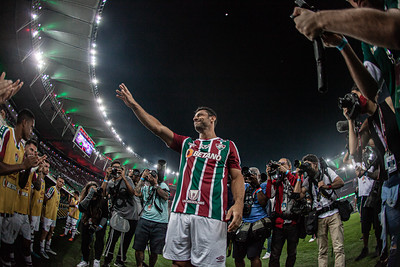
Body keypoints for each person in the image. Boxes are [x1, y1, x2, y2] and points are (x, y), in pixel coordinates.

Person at [116, 83, 244, 267]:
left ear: (213, 118)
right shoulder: (187, 144)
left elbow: (237, 177)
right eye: (194, 116)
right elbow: (158, 128)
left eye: (200, 115)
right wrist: (134, 105)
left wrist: (238, 203)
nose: (195, 117)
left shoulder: (227, 146)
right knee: (179, 264)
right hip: (180, 212)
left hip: (212, 216)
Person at [292, 0, 400, 132]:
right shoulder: (368, 42)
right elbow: (370, 90)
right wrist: (342, 45)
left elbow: (393, 28)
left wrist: (319, 19)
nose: (354, 1)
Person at [0, 109, 39, 266]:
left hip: (9, 211)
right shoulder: (6, 133)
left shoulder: (21, 149)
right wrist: (23, 165)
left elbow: (21, 183)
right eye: (31, 127)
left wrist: (28, 167)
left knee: (5, 253)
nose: (31, 131)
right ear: (24, 123)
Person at [299, 154, 345, 267]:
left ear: (315, 164)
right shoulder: (307, 180)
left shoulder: (326, 172)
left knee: (338, 247)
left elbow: (340, 182)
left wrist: (327, 186)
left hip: (333, 212)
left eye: (308, 164)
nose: (307, 168)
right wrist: (298, 176)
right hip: (319, 216)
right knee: (322, 250)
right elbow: (299, 195)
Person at [101, 160, 138, 267]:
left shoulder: (128, 179)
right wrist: (106, 177)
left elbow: (132, 193)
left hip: (131, 215)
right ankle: (107, 261)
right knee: (112, 239)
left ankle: (119, 261)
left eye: (118, 167)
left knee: (125, 242)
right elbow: (103, 194)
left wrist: (124, 177)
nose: (116, 169)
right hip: (118, 214)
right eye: (114, 167)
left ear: (121, 169)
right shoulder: (110, 182)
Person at [265, 159, 300, 267]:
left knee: (292, 253)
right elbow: (269, 194)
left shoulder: (294, 177)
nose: (280, 166)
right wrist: (269, 176)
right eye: (279, 164)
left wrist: (286, 173)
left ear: (289, 167)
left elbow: (296, 187)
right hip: (279, 223)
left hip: (293, 222)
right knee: (275, 254)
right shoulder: (277, 181)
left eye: (283, 164)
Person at [13, 140, 42, 266]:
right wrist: (30, 168)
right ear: (24, 149)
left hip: (24, 212)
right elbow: (21, 182)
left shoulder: (32, 170)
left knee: (26, 242)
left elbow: (37, 186)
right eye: (31, 150)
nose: (34, 153)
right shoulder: (19, 162)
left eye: (35, 152)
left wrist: (40, 170)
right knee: (9, 242)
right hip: (13, 209)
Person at [233, 167, 269, 267]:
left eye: (254, 174)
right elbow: (236, 201)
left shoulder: (263, 185)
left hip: (257, 224)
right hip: (242, 223)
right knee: (238, 256)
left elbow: (263, 202)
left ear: (259, 176)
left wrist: (256, 186)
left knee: (254, 256)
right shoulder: (243, 186)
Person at [133, 169, 169, 267]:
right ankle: (139, 265)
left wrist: (155, 184)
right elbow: (136, 193)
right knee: (138, 247)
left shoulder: (163, 185)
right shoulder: (145, 186)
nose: (151, 177)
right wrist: (142, 178)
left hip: (160, 222)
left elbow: (165, 196)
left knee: (155, 251)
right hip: (144, 219)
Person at [76, 181, 108, 267]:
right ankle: (85, 260)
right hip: (87, 221)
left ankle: (97, 260)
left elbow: (105, 215)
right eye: (90, 190)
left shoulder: (102, 201)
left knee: (99, 241)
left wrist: (100, 226)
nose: (93, 193)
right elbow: (81, 208)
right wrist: (89, 195)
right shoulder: (86, 199)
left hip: (99, 223)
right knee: (85, 242)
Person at [39, 176, 64, 259]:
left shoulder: (59, 192)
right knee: (44, 232)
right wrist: (43, 212)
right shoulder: (52, 189)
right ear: (57, 181)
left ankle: (47, 247)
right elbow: (45, 199)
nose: (61, 183)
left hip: (53, 216)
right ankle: (41, 249)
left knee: (51, 231)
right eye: (60, 181)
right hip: (48, 215)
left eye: (62, 183)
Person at [30, 159, 49, 257]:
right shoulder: (36, 177)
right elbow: (31, 194)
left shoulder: (44, 182)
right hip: (32, 211)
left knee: (33, 233)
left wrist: (41, 213)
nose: (47, 169)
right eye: (46, 166)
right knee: (29, 233)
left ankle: (30, 250)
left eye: (48, 167)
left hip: (38, 212)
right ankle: (27, 250)